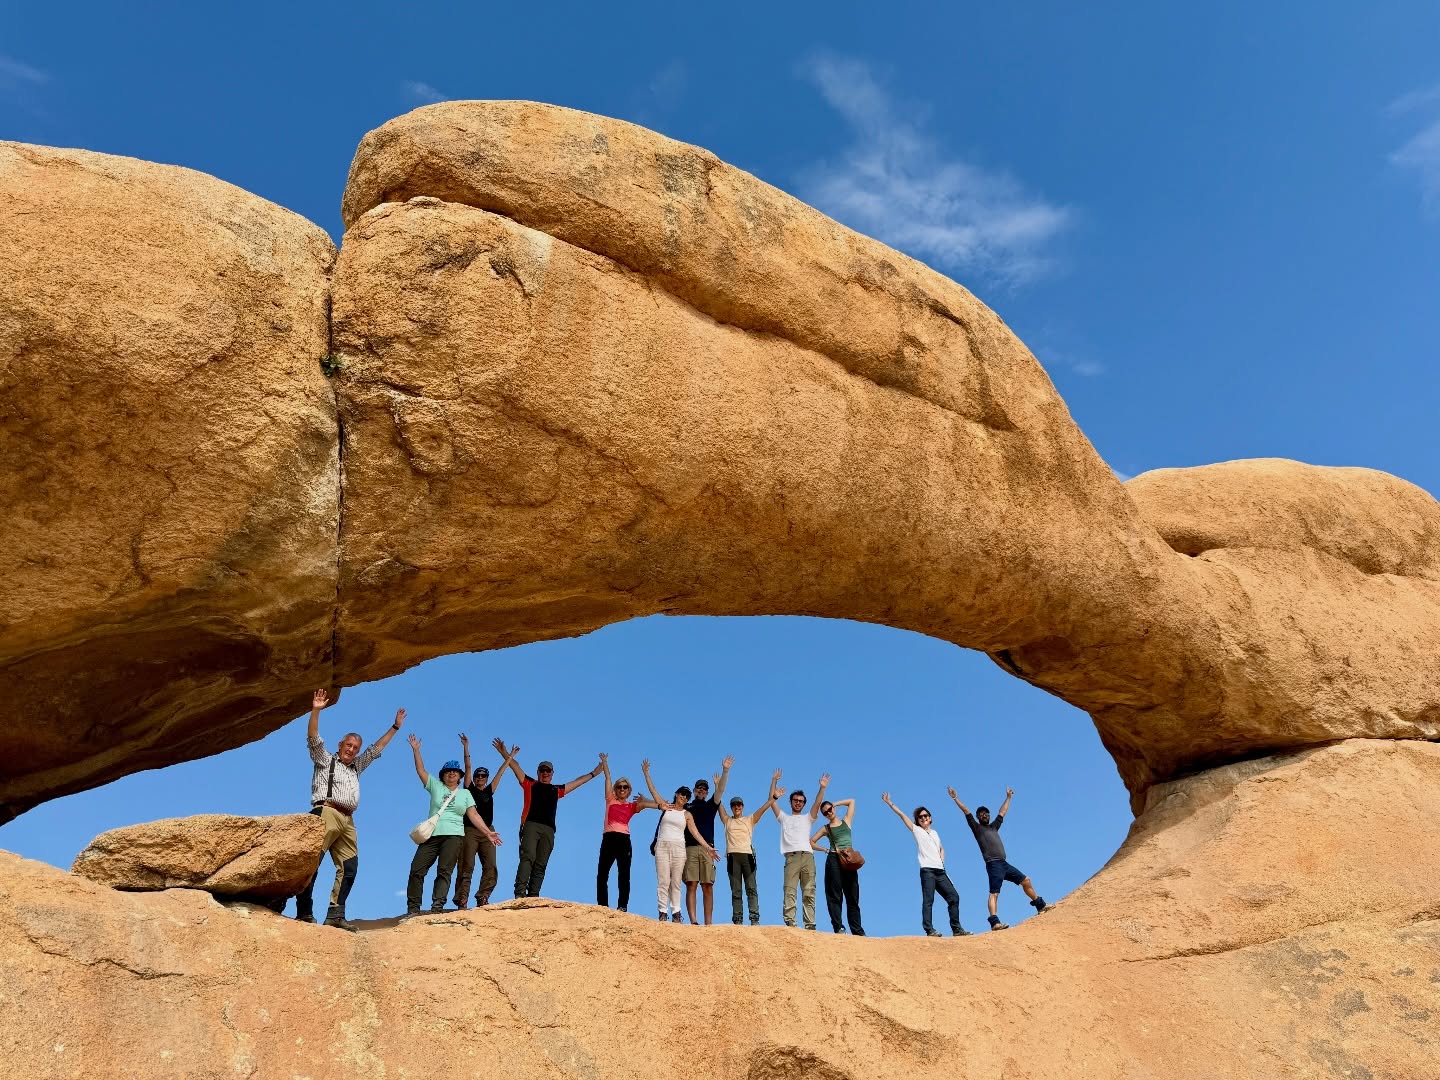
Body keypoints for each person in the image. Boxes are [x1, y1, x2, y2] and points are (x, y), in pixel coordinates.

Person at [293, 688, 404, 931]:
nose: (352, 749)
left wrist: (395, 727)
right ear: (340, 744)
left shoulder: (356, 767)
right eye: (348, 745)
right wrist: (316, 711)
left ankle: (335, 914)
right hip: (326, 813)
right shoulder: (326, 760)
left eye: (355, 747)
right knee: (312, 864)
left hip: (347, 820)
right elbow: (313, 738)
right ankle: (304, 913)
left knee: (349, 867)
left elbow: (376, 750)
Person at [405, 735, 504, 916]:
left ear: (459, 776)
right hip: (432, 834)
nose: (451, 773)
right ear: (442, 775)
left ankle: (437, 907)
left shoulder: (465, 794)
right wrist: (416, 750)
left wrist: (487, 833)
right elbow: (420, 770)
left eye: (455, 772)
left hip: (454, 836)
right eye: (448, 771)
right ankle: (413, 908)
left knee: (444, 871)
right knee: (416, 870)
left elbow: (473, 815)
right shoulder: (435, 786)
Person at [498, 738, 604, 898]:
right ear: (538, 772)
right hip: (531, 825)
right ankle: (520, 893)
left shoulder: (556, 790)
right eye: (542, 770)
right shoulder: (530, 784)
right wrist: (505, 753)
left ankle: (533, 896)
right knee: (528, 857)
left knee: (541, 863)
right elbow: (515, 767)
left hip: (548, 829)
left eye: (548, 771)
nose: (545, 773)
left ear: (552, 774)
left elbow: (577, 782)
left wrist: (594, 773)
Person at [948, 786, 1047, 930]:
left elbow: (1002, 812)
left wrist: (1008, 797)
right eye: (981, 814)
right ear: (977, 817)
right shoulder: (977, 828)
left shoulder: (994, 827)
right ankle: (994, 922)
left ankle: (1040, 905)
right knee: (994, 893)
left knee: (1026, 880)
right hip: (993, 864)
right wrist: (955, 798)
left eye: (986, 814)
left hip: (1004, 864)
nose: (984, 815)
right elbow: (966, 811)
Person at [881, 792, 970, 937]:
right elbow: (902, 815)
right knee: (928, 900)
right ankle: (929, 929)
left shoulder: (935, 833)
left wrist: (942, 860)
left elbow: (941, 848)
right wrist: (890, 803)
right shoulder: (916, 830)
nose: (923, 818)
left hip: (940, 871)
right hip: (927, 871)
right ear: (917, 820)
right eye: (920, 817)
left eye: (926, 816)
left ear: (930, 818)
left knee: (954, 897)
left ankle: (957, 929)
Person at [641, 759, 718, 922]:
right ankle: (663, 911)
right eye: (682, 794)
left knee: (676, 882)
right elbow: (654, 792)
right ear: (676, 794)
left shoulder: (687, 814)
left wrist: (708, 847)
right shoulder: (666, 806)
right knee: (663, 880)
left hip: (679, 848)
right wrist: (646, 774)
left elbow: (696, 833)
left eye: (687, 796)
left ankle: (676, 912)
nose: (684, 797)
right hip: (662, 846)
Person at [451, 733, 516, 909]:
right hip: (470, 830)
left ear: (486, 778)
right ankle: (462, 899)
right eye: (478, 776)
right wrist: (466, 747)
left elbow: (501, 772)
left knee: (490, 865)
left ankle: (483, 896)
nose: (480, 778)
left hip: (488, 830)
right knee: (466, 864)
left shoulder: (489, 790)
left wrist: (509, 756)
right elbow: (468, 766)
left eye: (483, 776)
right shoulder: (469, 789)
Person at [597, 752, 661, 911]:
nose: (622, 789)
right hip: (608, 838)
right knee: (602, 874)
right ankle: (602, 906)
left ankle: (622, 906)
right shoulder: (610, 800)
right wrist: (605, 762)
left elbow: (658, 805)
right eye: (619, 787)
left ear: (629, 790)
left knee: (624, 874)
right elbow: (608, 778)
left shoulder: (632, 806)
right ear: (615, 789)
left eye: (625, 787)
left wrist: (645, 799)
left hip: (623, 840)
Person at [769, 770, 828, 930]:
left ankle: (810, 924)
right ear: (790, 802)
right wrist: (774, 781)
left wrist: (822, 788)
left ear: (804, 804)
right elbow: (771, 802)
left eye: (801, 801)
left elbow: (817, 804)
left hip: (807, 856)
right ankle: (790, 922)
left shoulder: (808, 818)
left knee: (809, 891)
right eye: (795, 800)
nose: (798, 803)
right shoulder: (784, 818)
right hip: (792, 857)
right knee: (789, 889)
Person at [682, 755, 734, 925]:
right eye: (699, 788)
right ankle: (693, 921)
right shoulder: (686, 806)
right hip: (689, 847)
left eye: (704, 789)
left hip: (708, 849)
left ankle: (708, 924)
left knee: (708, 885)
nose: (702, 791)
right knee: (691, 884)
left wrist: (725, 770)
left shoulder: (711, 805)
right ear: (694, 790)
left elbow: (720, 791)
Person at [723, 777, 779, 926]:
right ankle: (738, 919)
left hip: (747, 856)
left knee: (751, 888)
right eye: (734, 805)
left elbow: (764, 808)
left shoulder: (750, 819)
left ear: (743, 806)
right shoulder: (727, 820)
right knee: (736, 890)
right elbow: (717, 802)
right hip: (733, 857)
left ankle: (754, 918)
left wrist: (774, 798)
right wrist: (717, 786)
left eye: (739, 804)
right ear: (731, 807)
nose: (737, 807)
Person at [811, 797, 864, 935]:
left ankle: (857, 930)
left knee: (853, 895)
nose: (829, 812)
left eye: (830, 809)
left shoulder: (846, 821)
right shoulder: (826, 828)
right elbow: (811, 841)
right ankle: (838, 927)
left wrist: (835, 803)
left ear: (833, 808)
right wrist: (824, 849)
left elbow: (852, 801)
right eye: (825, 812)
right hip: (834, 859)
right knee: (834, 895)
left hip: (849, 859)